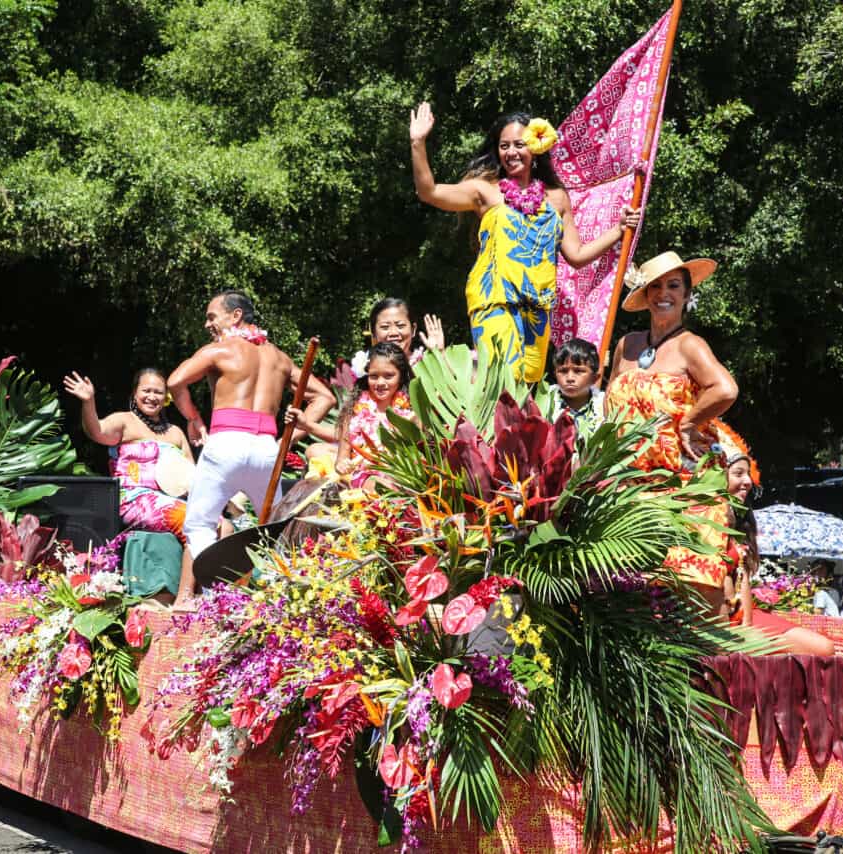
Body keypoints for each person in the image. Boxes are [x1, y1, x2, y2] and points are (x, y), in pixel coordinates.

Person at [409, 103, 640, 382]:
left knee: (527, 382)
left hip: (537, 306)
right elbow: (430, 192)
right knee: (501, 380)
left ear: (535, 147)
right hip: (494, 300)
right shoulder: (485, 191)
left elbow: (576, 255)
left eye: (519, 144)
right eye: (504, 146)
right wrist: (418, 142)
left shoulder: (556, 198)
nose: (511, 152)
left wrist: (619, 229)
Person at [167, 291, 336, 607]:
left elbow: (175, 382)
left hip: (225, 444)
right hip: (266, 450)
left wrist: (193, 419)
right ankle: (281, 599)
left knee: (200, 525)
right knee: (277, 528)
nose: (207, 324)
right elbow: (325, 396)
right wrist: (294, 435)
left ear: (236, 316)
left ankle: (217, 596)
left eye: (212, 316)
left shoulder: (220, 350)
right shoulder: (280, 359)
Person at [605, 252, 739, 616]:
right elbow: (610, 407)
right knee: (634, 596)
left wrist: (689, 423)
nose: (664, 293)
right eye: (656, 286)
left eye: (674, 286)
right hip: (631, 488)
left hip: (683, 486)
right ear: (646, 294)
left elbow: (725, 389)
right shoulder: (626, 345)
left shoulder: (689, 345)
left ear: (686, 294)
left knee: (694, 596)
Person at [718, 429, 836, 656]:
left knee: (825, 649)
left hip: (742, 614)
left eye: (748, 474)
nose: (747, 482)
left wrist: (747, 626)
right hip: (719, 618)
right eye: (738, 474)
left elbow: (741, 576)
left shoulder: (739, 521)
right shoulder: (705, 517)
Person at [63, 367, 195, 542]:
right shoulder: (124, 421)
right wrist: (89, 401)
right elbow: (97, 432)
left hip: (175, 499)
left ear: (166, 398)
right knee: (190, 521)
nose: (152, 396)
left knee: (223, 524)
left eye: (158, 392)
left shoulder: (176, 432)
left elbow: (192, 474)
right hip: (133, 500)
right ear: (134, 393)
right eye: (146, 390)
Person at [289, 342, 417, 489]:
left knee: (388, 484)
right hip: (362, 473)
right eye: (374, 376)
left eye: (389, 376)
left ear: (401, 376)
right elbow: (342, 458)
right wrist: (342, 465)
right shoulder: (353, 410)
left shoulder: (412, 410)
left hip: (397, 474)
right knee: (315, 451)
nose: (380, 382)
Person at [544, 337, 605, 444]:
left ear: (595, 378)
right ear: (555, 374)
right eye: (563, 371)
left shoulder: (604, 407)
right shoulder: (545, 401)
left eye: (578, 371)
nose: (570, 378)